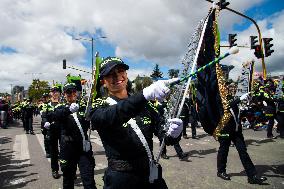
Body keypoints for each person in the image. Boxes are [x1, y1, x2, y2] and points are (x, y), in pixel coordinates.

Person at [90, 57, 183, 189]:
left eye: (120, 71)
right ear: (104, 82)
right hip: (122, 179)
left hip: (150, 175)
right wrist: (143, 95)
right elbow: (108, 117)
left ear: (126, 75)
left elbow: (164, 135)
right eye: (110, 74)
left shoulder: (145, 104)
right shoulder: (100, 106)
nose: (117, 76)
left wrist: (173, 133)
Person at [50, 83, 96, 189]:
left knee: (89, 181)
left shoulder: (83, 107)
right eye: (68, 92)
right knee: (68, 180)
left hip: (83, 148)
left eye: (74, 91)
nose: (72, 94)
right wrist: (69, 110)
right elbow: (56, 116)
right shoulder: (60, 108)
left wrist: (92, 116)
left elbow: (92, 123)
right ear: (64, 94)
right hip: (68, 149)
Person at [216, 92, 267, 184]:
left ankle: (252, 176)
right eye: (229, 87)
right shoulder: (219, 99)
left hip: (236, 131)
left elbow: (237, 115)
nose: (232, 89)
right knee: (224, 150)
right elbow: (225, 107)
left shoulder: (232, 99)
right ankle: (221, 171)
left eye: (233, 87)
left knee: (243, 151)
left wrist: (247, 108)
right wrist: (239, 99)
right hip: (224, 130)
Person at [42, 86, 62, 179]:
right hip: (51, 131)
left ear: (59, 93)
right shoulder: (46, 105)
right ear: (50, 93)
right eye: (53, 91)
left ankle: (67, 170)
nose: (54, 93)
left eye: (56, 91)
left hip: (63, 130)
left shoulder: (63, 103)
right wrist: (45, 121)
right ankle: (55, 170)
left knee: (65, 151)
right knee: (53, 152)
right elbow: (44, 115)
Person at [39, 93, 51, 158]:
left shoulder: (51, 104)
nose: (45, 98)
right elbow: (42, 114)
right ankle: (48, 152)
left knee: (52, 138)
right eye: (44, 97)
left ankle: (53, 151)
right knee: (46, 138)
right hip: (44, 123)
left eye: (46, 97)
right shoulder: (41, 105)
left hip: (52, 123)